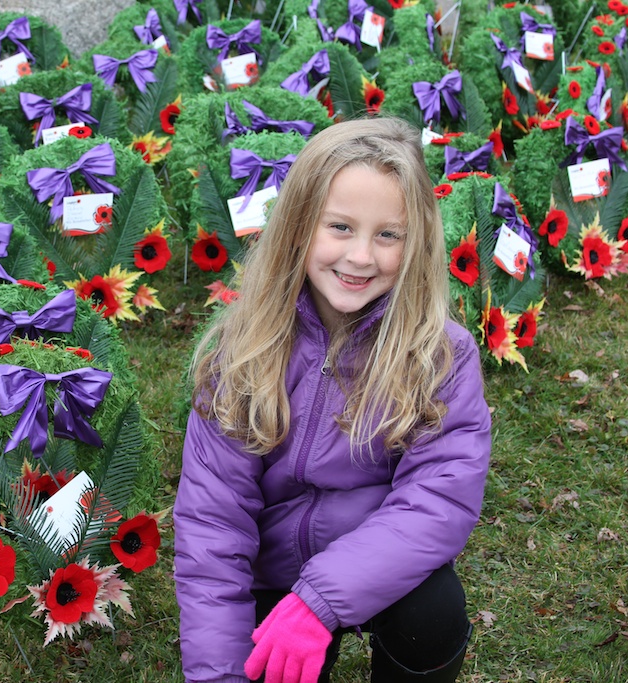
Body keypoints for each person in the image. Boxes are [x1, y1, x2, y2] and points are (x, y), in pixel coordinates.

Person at [173, 117, 491, 683]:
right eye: (340, 227)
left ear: (416, 243)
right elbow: (212, 525)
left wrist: (319, 601)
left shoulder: (439, 354)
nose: (361, 256)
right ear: (298, 226)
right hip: (270, 577)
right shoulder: (242, 350)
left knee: (433, 611)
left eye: (388, 235)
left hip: (379, 563)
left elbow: (436, 501)